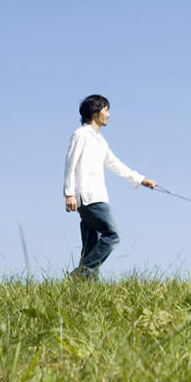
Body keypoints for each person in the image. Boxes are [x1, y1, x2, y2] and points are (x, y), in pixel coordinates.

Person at [63, 94, 156, 280]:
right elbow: (70, 163)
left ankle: (85, 288)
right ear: (96, 112)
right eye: (106, 110)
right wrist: (69, 194)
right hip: (89, 197)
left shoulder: (99, 141)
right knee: (112, 235)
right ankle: (82, 273)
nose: (109, 115)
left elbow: (115, 164)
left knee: (91, 244)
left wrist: (140, 179)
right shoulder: (81, 135)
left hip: (97, 195)